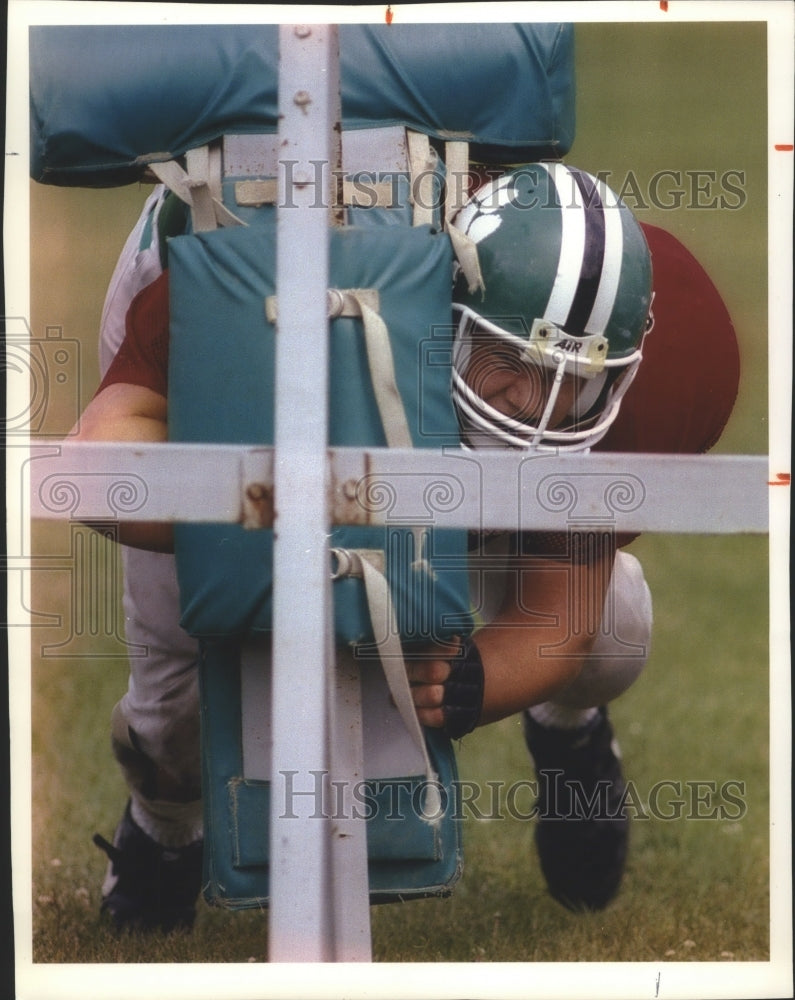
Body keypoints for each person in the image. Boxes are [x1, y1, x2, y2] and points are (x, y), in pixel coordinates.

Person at [79, 161, 737, 930]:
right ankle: (163, 832)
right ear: (440, 309)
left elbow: (564, 603)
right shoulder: (259, 283)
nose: (537, 407)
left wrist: (474, 683)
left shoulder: (650, 342)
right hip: (251, 249)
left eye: (575, 385)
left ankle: (569, 736)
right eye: (507, 365)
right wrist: (285, 504)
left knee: (611, 629)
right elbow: (102, 471)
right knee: (177, 707)